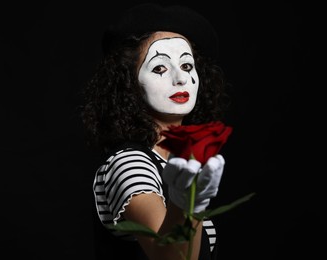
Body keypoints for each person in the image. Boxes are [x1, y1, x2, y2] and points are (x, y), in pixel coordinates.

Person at [81, 3, 230, 259]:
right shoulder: (129, 162)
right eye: (160, 68)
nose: (180, 78)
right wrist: (186, 204)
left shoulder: (175, 161)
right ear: (129, 83)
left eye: (186, 66)